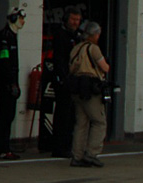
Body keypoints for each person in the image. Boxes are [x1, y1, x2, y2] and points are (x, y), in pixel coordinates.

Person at [68, 21, 110, 168]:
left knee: (81, 123)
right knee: (99, 121)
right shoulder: (94, 49)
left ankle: (77, 156)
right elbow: (105, 67)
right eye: (97, 34)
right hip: (91, 89)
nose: (99, 36)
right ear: (93, 34)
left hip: (76, 89)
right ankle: (91, 153)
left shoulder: (76, 49)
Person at [0, 8, 25, 160]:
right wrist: (11, 83)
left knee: (9, 115)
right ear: (12, 19)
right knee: (5, 115)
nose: (23, 21)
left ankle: (4, 147)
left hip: (11, 81)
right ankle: (1, 148)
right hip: (5, 82)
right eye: (20, 18)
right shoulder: (4, 37)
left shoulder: (12, 36)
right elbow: (3, 62)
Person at [50, 7, 82, 158]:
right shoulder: (60, 35)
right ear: (66, 19)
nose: (75, 23)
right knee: (62, 114)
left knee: (71, 115)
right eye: (73, 19)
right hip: (63, 80)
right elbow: (59, 60)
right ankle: (58, 147)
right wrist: (63, 78)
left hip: (74, 80)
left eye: (77, 20)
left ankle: (68, 145)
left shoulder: (78, 36)